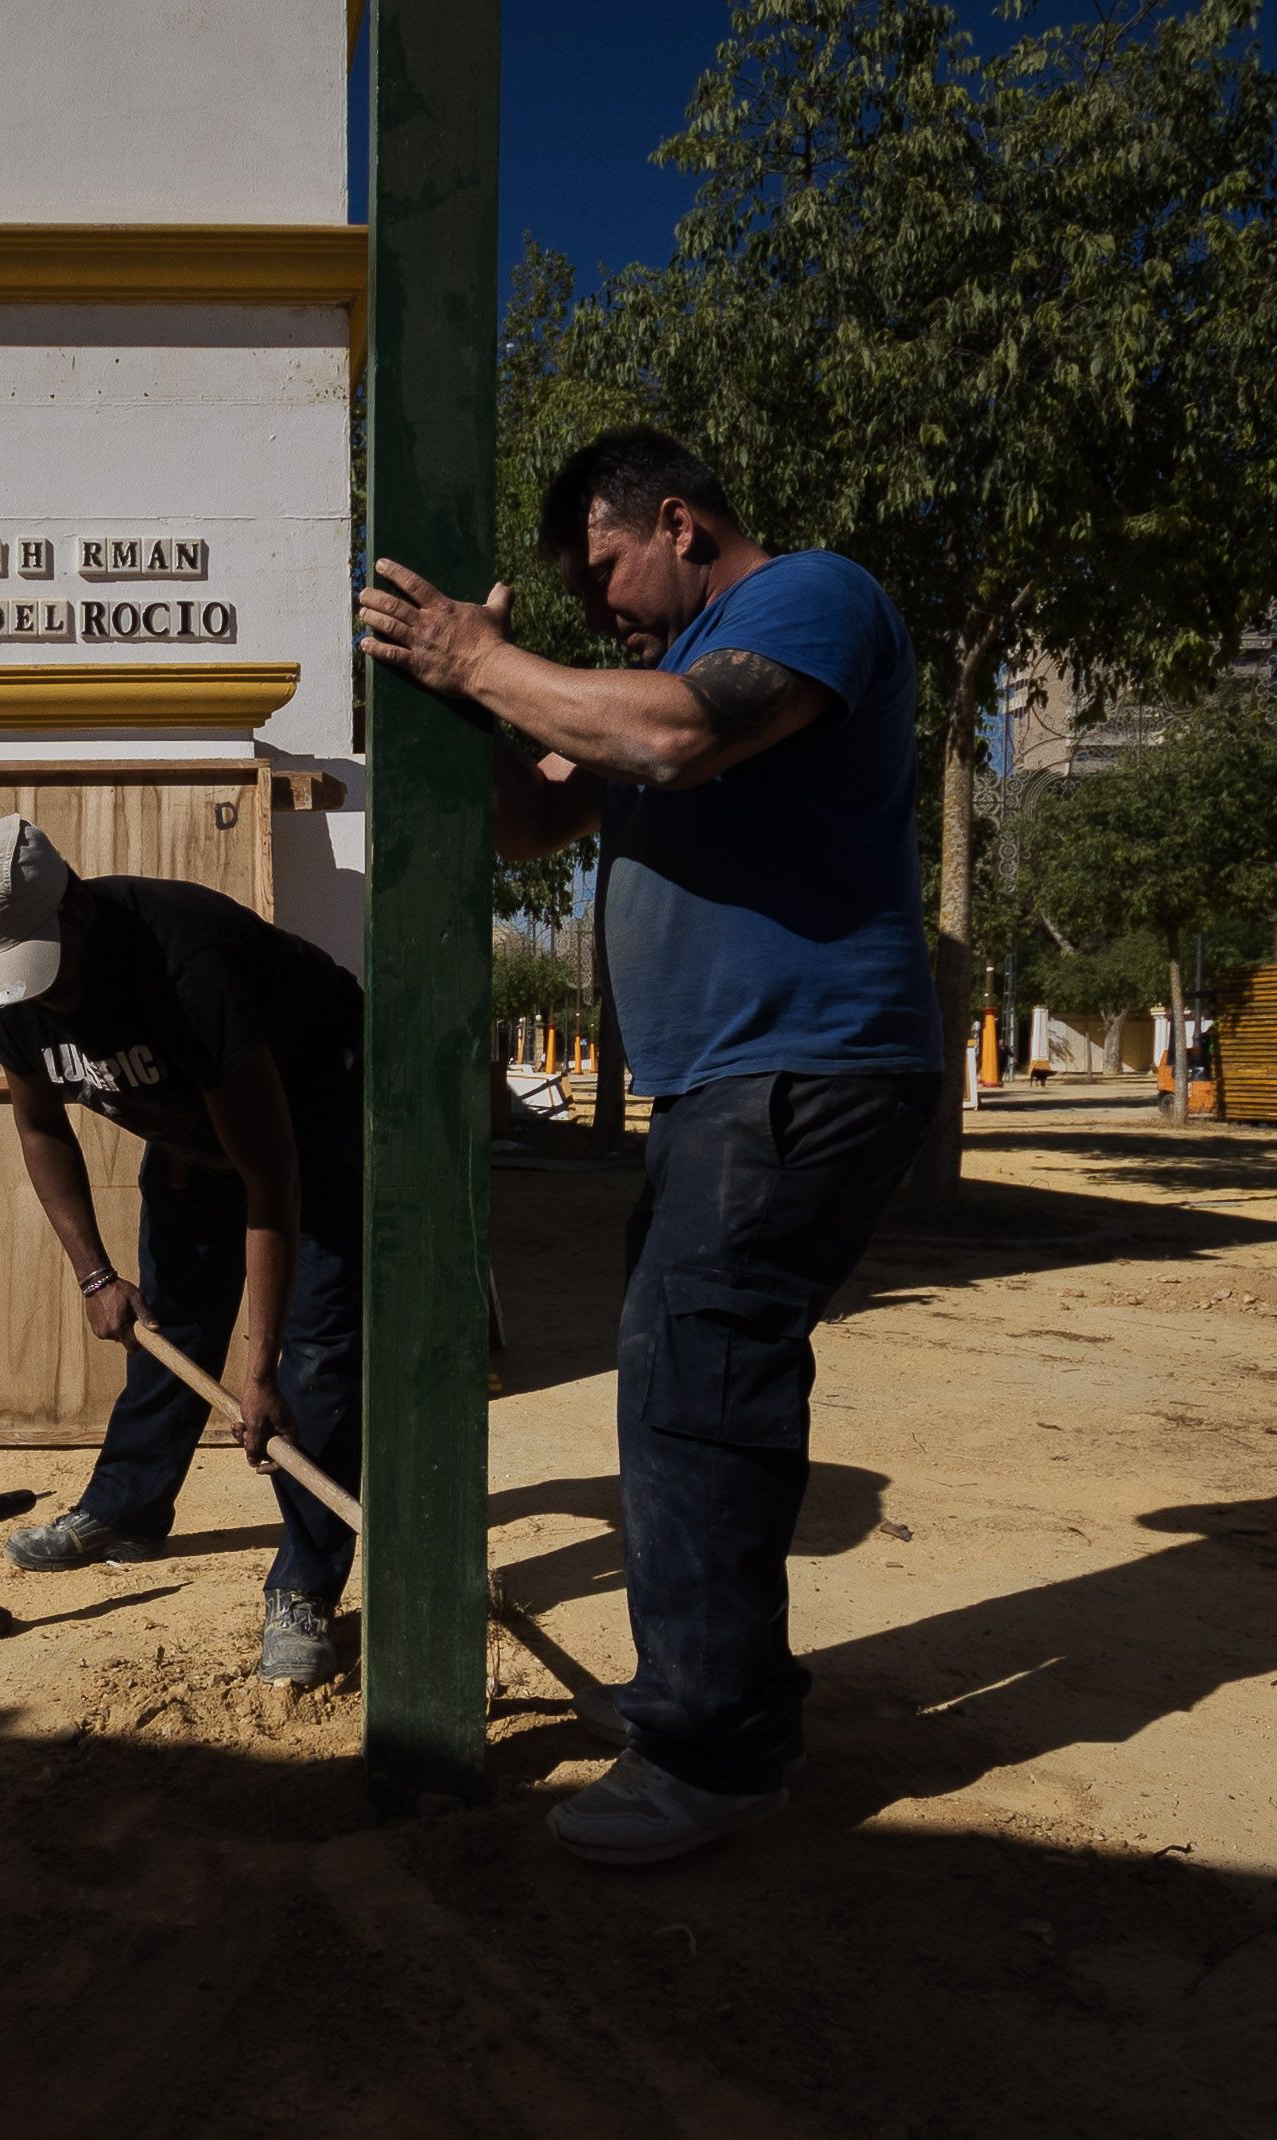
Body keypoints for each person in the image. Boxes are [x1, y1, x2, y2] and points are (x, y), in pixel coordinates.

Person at [356, 424, 940, 1864]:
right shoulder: (639, 682)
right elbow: (525, 830)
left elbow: (679, 738)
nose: (600, 605)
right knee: (691, 1379)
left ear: (678, 521)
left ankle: (717, 1753)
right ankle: (710, 1697)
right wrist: (478, 699)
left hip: (804, 1062)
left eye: (607, 566)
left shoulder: (808, 598)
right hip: (729, 1085)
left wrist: (476, 659)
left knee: (699, 1387)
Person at [0, 813, 365, 1687]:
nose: (40, 996)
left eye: (45, 964)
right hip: (189, 1124)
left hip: (314, 1108)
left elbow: (271, 1178)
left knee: (315, 1365)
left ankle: (306, 1588)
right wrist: (95, 1273)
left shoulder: (185, 965)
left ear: (79, 908)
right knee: (166, 1320)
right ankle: (128, 1507)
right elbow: (40, 1127)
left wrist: (261, 1370)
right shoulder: (14, 1001)